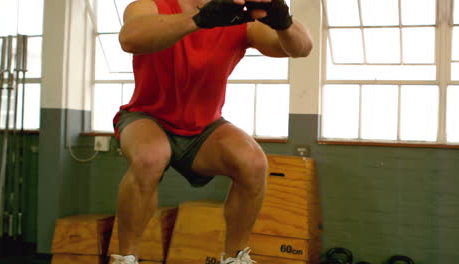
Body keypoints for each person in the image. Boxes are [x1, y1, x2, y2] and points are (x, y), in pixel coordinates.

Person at [111, 0, 313, 263]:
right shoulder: (150, 6)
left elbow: (302, 48)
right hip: (147, 116)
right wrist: (198, 20)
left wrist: (284, 23)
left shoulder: (239, 22)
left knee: (253, 163)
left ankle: (235, 258)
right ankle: (125, 258)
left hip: (204, 126)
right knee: (150, 157)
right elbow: (130, 39)